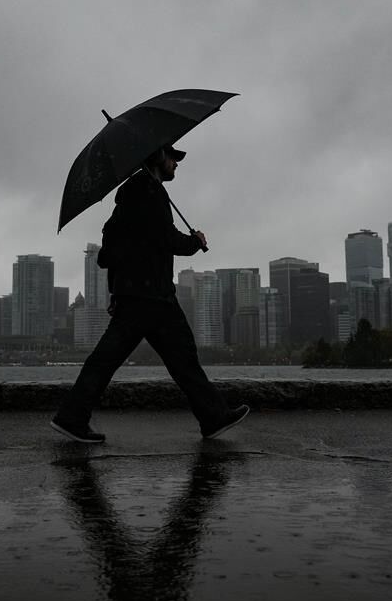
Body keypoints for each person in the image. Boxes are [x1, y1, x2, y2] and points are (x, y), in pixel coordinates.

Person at [50, 144, 250, 443]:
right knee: (182, 360)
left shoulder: (128, 198)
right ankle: (213, 416)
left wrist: (115, 292)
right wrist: (195, 241)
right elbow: (167, 239)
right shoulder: (152, 193)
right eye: (172, 158)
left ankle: (72, 416)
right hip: (154, 297)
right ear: (157, 158)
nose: (176, 164)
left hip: (136, 296)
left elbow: (110, 252)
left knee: (113, 359)